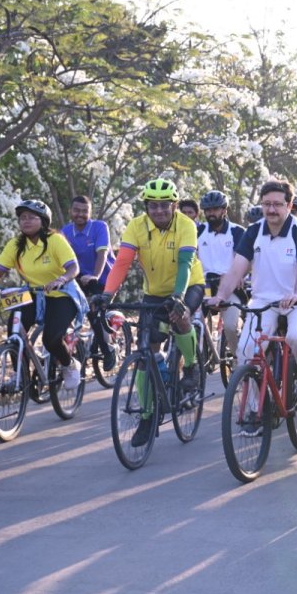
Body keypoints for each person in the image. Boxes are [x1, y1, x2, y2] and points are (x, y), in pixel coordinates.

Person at [98, 179, 206, 447]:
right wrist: (107, 295)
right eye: (153, 206)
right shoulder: (136, 226)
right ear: (146, 206)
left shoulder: (186, 225)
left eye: (164, 206)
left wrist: (179, 297)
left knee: (181, 317)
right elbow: (123, 262)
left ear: (175, 205)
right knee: (146, 351)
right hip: (155, 291)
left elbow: (185, 263)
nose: (158, 210)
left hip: (188, 284)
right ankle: (148, 415)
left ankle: (191, 365)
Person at [209, 180, 297, 424]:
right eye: (267, 204)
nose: (271, 210)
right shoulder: (254, 231)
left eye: (277, 205)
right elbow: (237, 268)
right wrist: (221, 295)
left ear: (289, 205)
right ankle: (257, 409)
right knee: (246, 351)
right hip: (264, 301)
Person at [0, 200, 85, 390]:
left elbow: (73, 267)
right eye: (22, 218)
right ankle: (22, 374)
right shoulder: (16, 244)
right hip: (33, 292)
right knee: (14, 328)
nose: (25, 221)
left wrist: (61, 279)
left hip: (62, 294)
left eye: (31, 217)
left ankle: (69, 364)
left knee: (51, 338)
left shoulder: (55, 240)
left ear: (43, 221)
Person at [62, 194, 117, 369]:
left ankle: (108, 352)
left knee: (93, 312)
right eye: (76, 210)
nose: (80, 214)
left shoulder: (100, 227)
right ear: (70, 211)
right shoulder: (65, 231)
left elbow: (101, 254)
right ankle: (73, 347)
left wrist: (94, 275)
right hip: (79, 278)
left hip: (104, 279)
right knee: (65, 309)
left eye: (85, 211)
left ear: (90, 212)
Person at [196, 190, 246, 364]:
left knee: (231, 326)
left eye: (215, 209)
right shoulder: (198, 230)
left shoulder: (237, 231)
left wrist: (239, 274)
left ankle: (238, 360)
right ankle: (195, 362)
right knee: (190, 322)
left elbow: (245, 260)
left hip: (229, 285)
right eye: (207, 210)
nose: (211, 213)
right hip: (203, 285)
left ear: (224, 210)